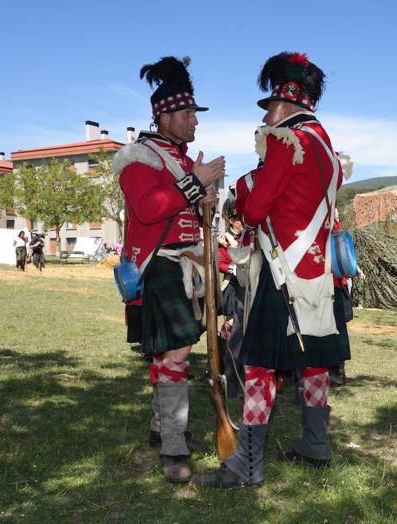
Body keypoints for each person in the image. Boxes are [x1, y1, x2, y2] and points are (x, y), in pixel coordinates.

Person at [194, 52, 349, 488]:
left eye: (270, 109)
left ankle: (246, 466)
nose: (266, 119)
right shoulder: (328, 150)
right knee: (315, 363)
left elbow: (258, 207)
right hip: (318, 276)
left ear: (286, 105)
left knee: (260, 366)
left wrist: (242, 191)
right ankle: (316, 444)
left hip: (283, 275)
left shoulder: (287, 141)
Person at [114, 56, 224, 483]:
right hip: (158, 265)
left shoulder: (179, 158)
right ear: (165, 116)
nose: (195, 121)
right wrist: (195, 181)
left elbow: (188, 211)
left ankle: (161, 428)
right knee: (176, 353)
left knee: (170, 353)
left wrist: (207, 198)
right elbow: (147, 210)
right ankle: (174, 448)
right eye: (188, 113)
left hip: (189, 265)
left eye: (195, 113)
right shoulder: (138, 156)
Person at [217, 196, 248, 397]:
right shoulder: (224, 238)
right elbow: (219, 262)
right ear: (230, 219)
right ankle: (222, 364)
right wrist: (231, 267)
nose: (241, 221)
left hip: (247, 285)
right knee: (231, 326)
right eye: (238, 217)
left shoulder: (247, 236)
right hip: (232, 285)